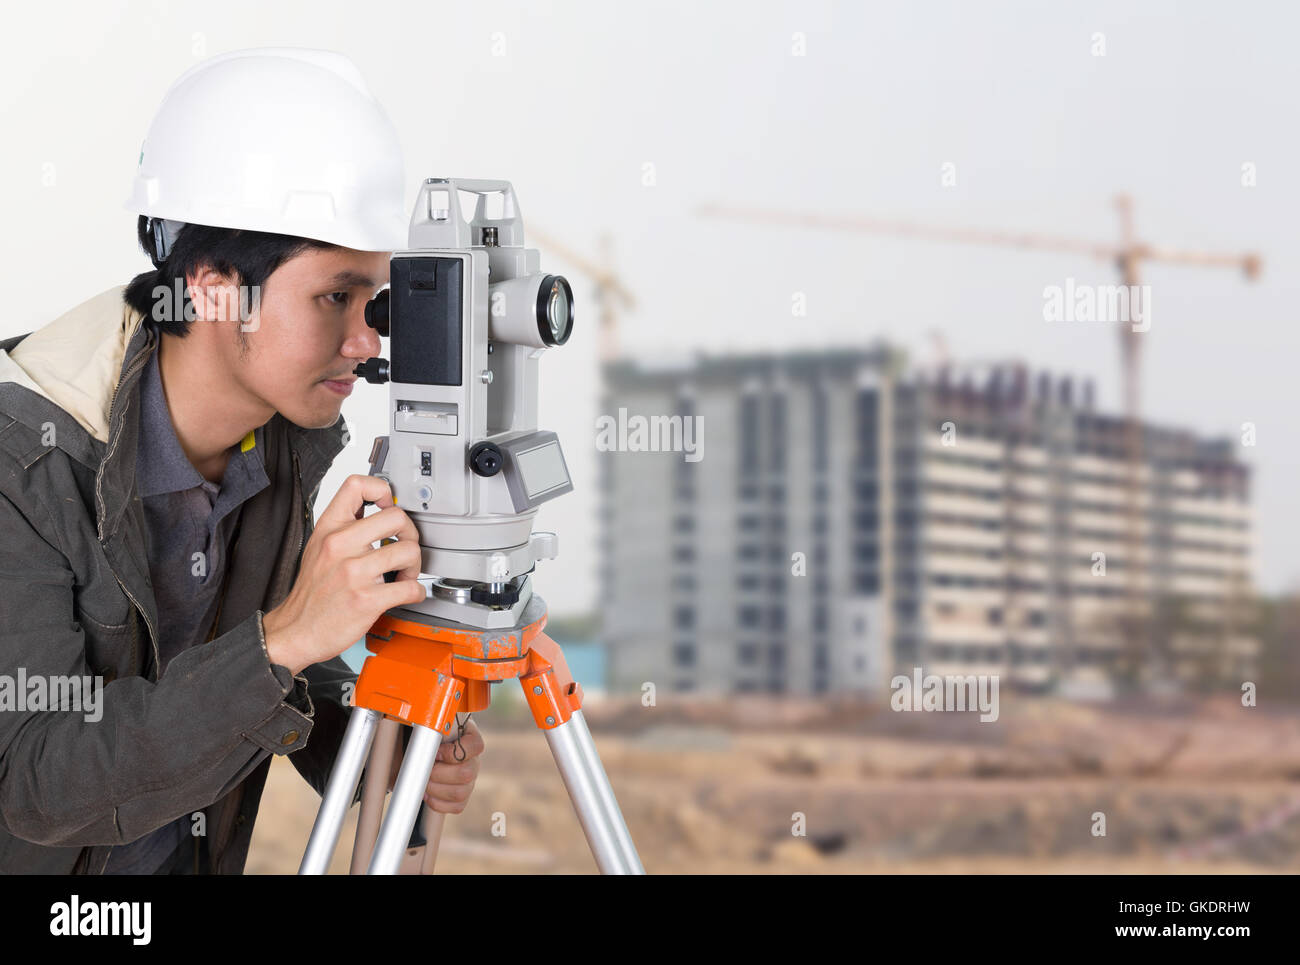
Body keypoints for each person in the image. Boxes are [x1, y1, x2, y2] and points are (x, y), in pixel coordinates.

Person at [0, 47, 483, 874]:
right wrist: (285, 638)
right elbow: (35, 782)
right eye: (335, 297)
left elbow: (261, 654)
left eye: (377, 300)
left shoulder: (278, 441)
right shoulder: (26, 462)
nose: (368, 340)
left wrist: (373, 749)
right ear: (217, 285)